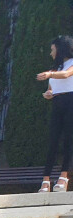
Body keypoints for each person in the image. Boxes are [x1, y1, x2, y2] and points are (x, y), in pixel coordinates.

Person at [37, 35, 73, 193]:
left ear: (60, 49)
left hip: (71, 101)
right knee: (53, 141)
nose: (51, 53)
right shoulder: (54, 69)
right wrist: (48, 93)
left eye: (52, 49)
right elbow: (52, 89)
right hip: (58, 104)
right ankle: (46, 179)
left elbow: (66, 75)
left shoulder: (70, 65)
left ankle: (63, 177)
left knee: (68, 140)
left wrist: (50, 75)